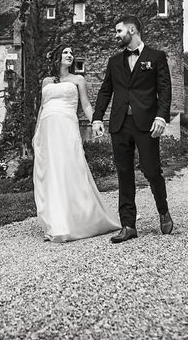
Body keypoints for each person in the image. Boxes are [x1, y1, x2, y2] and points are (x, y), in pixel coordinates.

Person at [92, 14, 173, 243]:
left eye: (119, 31)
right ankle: (128, 225)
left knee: (151, 170)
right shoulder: (114, 61)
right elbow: (106, 91)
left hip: (147, 124)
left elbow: (164, 90)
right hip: (119, 124)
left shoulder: (156, 57)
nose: (116, 35)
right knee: (123, 173)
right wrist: (98, 118)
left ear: (132, 30)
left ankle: (163, 210)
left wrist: (161, 117)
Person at [32, 45, 120, 242]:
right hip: (47, 128)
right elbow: (41, 108)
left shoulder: (78, 79)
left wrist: (95, 122)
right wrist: (36, 133)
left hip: (66, 125)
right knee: (50, 171)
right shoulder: (46, 81)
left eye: (72, 53)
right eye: (65, 52)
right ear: (57, 57)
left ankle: (76, 218)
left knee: (69, 167)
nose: (70, 55)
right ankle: (55, 220)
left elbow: (86, 104)